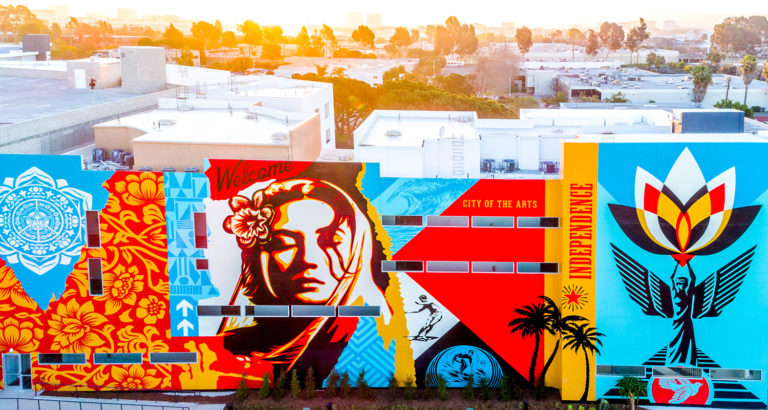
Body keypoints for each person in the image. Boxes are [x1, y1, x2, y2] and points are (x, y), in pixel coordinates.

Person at [220, 178, 391, 379]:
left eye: (331, 241)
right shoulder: (226, 350)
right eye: (284, 244)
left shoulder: (385, 339)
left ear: (357, 248)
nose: (308, 259)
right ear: (258, 259)